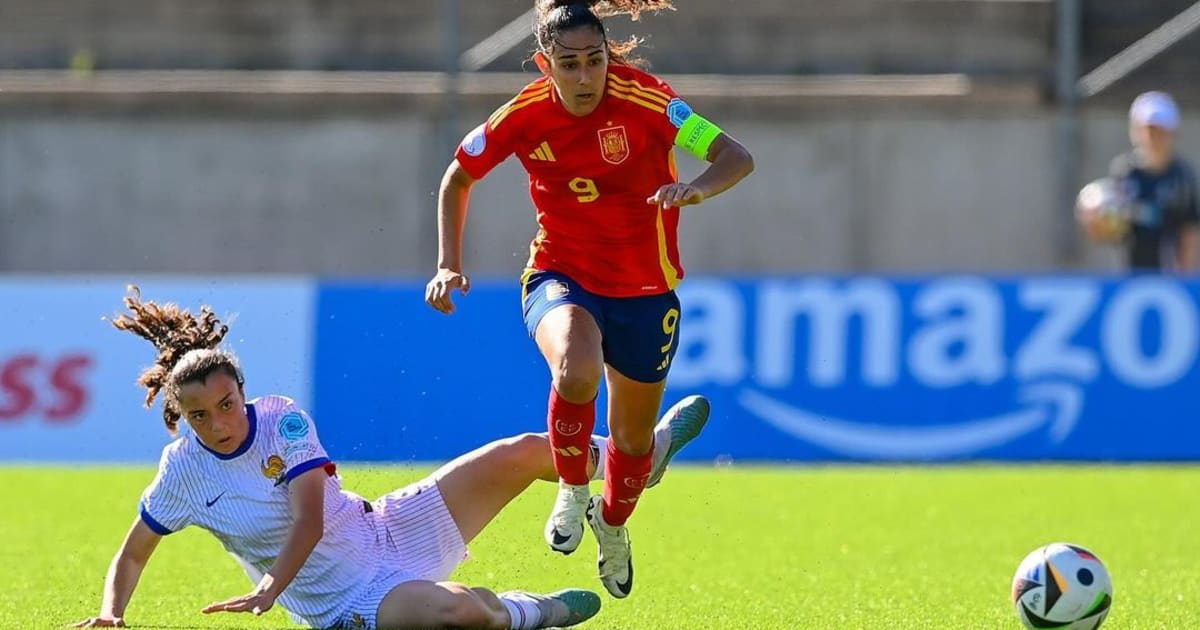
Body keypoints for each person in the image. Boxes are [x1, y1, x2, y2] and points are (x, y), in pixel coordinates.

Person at [71, 287, 707, 629]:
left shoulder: (282, 418)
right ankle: (531, 611)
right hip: (350, 599)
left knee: (525, 452)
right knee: (462, 611)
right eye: (201, 416)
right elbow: (133, 552)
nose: (219, 422)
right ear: (181, 417)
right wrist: (111, 613)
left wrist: (268, 586)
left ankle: (640, 458)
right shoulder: (182, 470)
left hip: (387, 524)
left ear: (243, 391)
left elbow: (311, 519)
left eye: (228, 403)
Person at [424, 0, 751, 599]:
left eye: (594, 61)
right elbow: (458, 176)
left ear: (608, 58)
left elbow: (736, 155)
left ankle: (614, 523)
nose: (583, 77)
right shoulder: (522, 115)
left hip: (647, 291)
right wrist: (449, 263)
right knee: (576, 369)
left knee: (631, 445)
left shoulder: (650, 101)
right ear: (544, 64)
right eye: (568, 65)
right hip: (559, 273)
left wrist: (697, 190)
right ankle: (573, 488)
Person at [1108, 90, 1200, 271]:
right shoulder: (1125, 172)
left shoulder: (1181, 176)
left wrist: (1185, 272)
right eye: (1147, 131)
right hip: (1128, 269)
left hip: (1167, 271)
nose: (1153, 138)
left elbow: (1189, 227)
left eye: (1160, 132)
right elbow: (1113, 225)